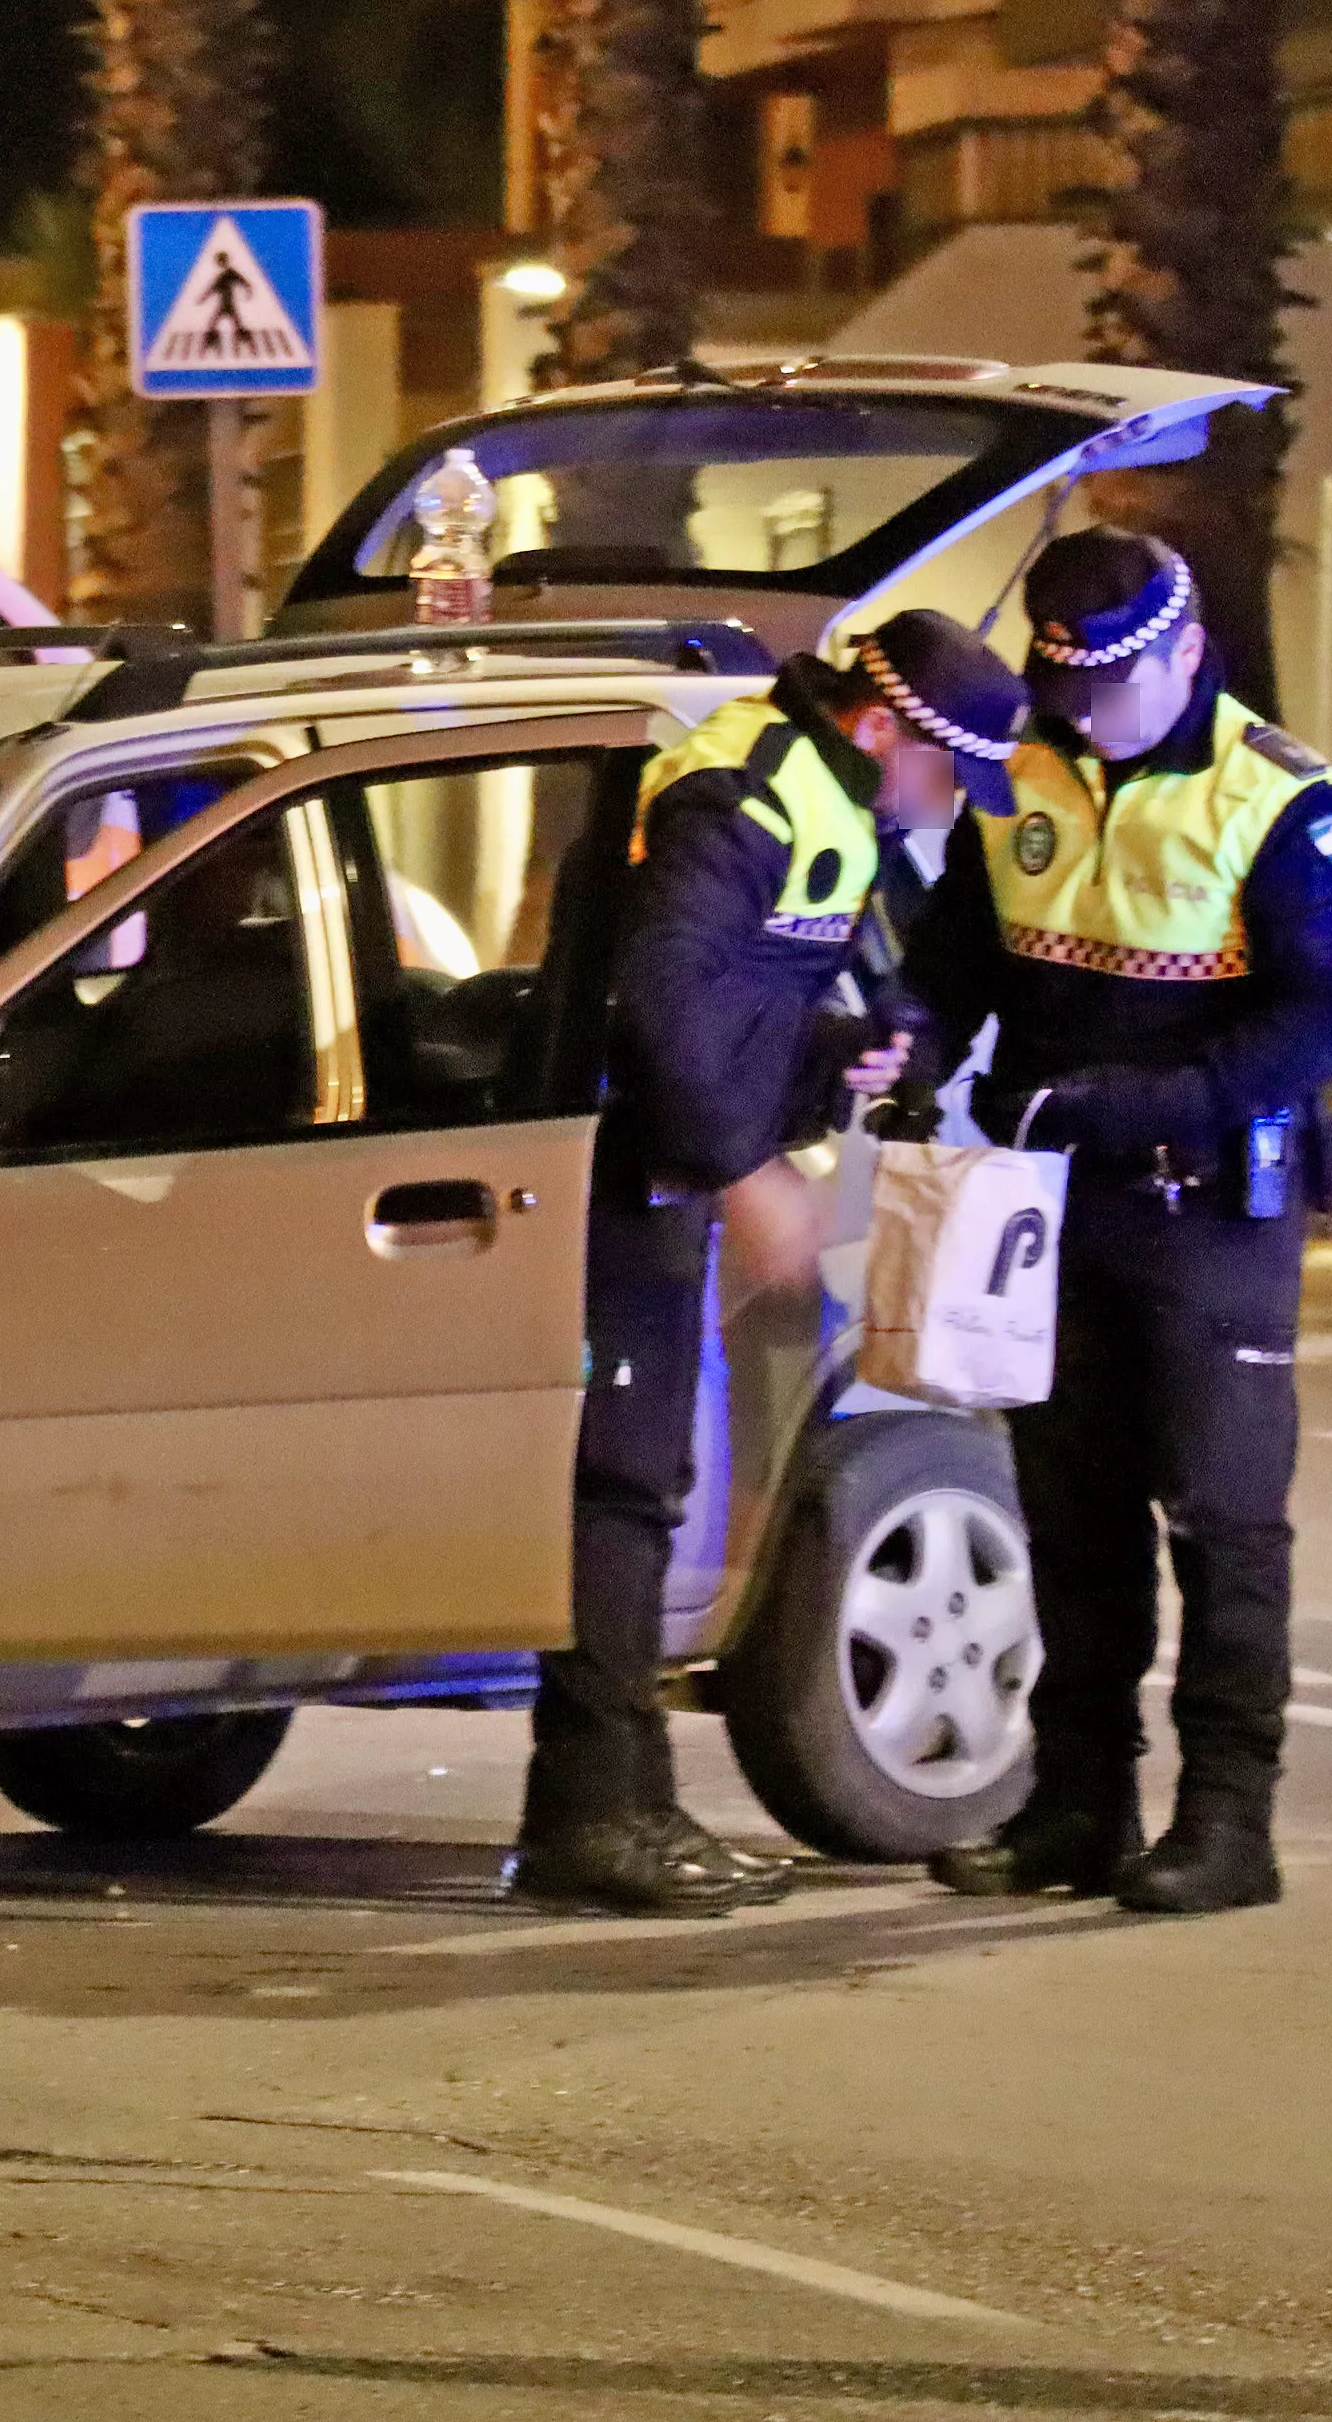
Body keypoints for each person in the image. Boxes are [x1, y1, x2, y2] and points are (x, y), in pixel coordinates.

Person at [513, 609, 1031, 1915]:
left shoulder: (829, 796)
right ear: (882, 728)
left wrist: (833, 1051)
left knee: (643, 1484)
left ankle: (622, 1803)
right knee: (619, 1493)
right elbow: (662, 1008)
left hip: (668, 1175)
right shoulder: (742, 800)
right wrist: (746, 1173)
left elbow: (763, 996)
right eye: (943, 776)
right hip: (626, 1180)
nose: (941, 808)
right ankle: (596, 1814)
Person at [907, 531, 1332, 1916]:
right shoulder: (1028, 769)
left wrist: (1158, 1103)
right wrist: (910, 1047)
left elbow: (1326, 1012)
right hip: (1059, 1202)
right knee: (1073, 1511)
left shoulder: (1283, 801)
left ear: (1181, 654)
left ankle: (1230, 1823)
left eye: (1109, 691)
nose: (1084, 718)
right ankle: (1077, 1809)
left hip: (1210, 1205)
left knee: (1225, 1524)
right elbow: (958, 953)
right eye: (1066, 692)